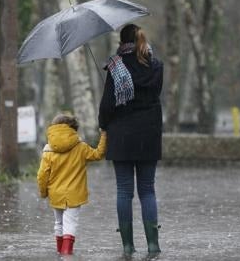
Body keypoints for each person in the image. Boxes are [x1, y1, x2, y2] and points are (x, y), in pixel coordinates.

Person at [98, 24, 164, 255]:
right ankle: (153, 244)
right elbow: (154, 96)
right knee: (147, 190)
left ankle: (127, 247)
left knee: (124, 191)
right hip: (149, 134)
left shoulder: (116, 67)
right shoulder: (156, 66)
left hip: (122, 135)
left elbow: (107, 105)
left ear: (121, 41)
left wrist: (103, 124)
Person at [37, 113, 107, 255]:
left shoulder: (48, 150)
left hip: (55, 194)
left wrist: (44, 192)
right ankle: (67, 254)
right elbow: (98, 154)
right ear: (73, 129)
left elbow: (42, 175)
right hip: (74, 194)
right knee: (71, 224)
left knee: (59, 224)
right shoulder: (80, 147)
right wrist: (104, 135)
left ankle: (60, 253)